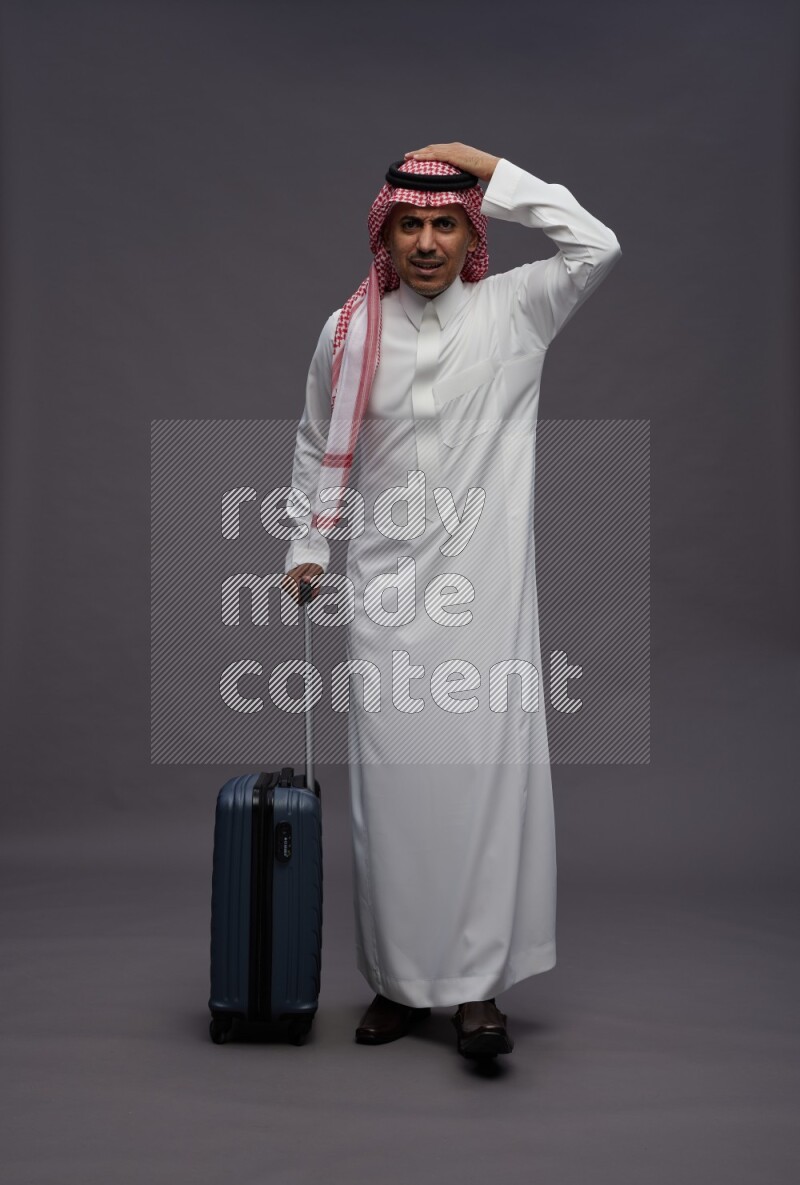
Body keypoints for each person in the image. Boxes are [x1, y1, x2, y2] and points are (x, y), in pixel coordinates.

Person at [281, 142, 621, 1059]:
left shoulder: (517, 311)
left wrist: (488, 167)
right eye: (410, 224)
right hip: (384, 595)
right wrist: (309, 544)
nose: (426, 242)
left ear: (472, 234)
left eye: (444, 224)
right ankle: (398, 983)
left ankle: (476, 991)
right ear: (385, 235)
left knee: (479, 794)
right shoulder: (349, 333)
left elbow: (596, 245)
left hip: (487, 599)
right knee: (393, 802)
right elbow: (315, 441)